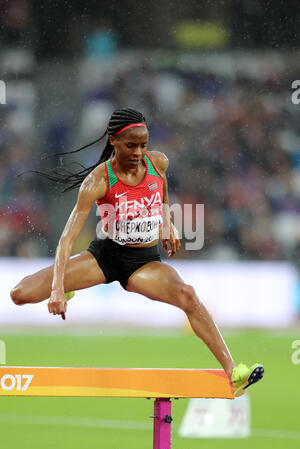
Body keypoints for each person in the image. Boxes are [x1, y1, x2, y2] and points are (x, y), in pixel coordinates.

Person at [10, 108, 264, 397]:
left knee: (189, 295)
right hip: (104, 257)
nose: (139, 152)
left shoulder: (158, 163)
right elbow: (68, 237)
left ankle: (233, 373)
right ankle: (70, 287)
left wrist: (167, 221)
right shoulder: (98, 181)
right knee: (21, 294)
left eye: (143, 144)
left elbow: (162, 186)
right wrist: (57, 288)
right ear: (114, 142)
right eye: (131, 145)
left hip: (143, 263)